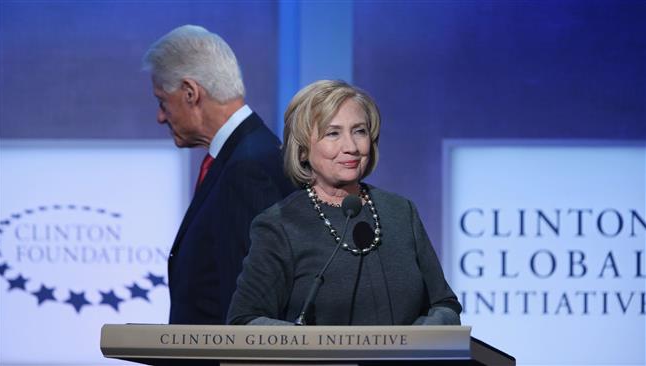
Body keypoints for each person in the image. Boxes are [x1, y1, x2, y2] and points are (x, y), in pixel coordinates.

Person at [227, 80, 461, 326]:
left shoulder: (401, 212)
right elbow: (245, 320)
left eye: (359, 131)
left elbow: (444, 304)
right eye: (333, 133)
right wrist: (312, 346)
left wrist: (419, 340)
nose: (350, 147)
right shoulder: (280, 225)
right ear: (303, 150)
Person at [142, 25, 294, 324]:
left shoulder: (249, 168)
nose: (160, 117)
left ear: (190, 93)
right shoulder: (243, 155)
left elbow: (248, 308)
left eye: (162, 101)